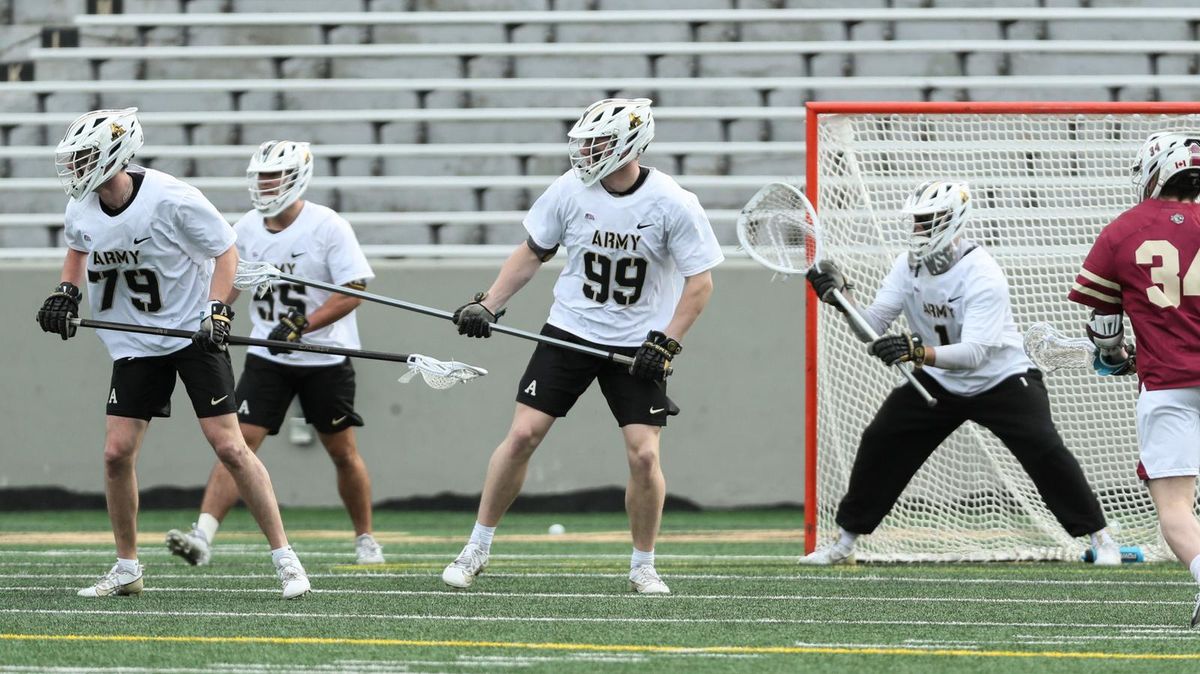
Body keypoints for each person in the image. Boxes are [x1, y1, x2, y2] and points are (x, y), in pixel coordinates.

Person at [439, 98, 724, 594]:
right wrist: (490, 303)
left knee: (643, 457)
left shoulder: (673, 203)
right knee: (524, 435)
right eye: (586, 142)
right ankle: (476, 547)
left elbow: (700, 283)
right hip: (570, 330)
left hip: (638, 345)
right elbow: (534, 252)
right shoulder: (570, 189)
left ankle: (643, 564)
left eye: (600, 143)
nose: (588, 152)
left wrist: (667, 343)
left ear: (631, 144)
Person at [36, 108, 310, 598]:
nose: (75, 168)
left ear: (113, 155)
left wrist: (217, 311)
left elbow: (226, 251)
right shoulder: (81, 205)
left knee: (230, 447)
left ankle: (286, 560)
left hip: (190, 331)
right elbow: (78, 247)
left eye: (84, 158)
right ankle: (127, 567)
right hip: (136, 340)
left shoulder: (172, 199)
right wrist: (66, 291)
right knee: (116, 453)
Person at [802, 179, 1120, 566]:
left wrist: (915, 351)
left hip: (1002, 378)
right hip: (940, 380)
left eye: (927, 221)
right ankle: (846, 542)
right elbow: (873, 325)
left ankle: (1100, 537)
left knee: (1044, 450)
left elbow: (974, 354)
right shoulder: (907, 265)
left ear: (952, 221)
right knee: (881, 440)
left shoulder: (982, 273)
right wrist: (843, 299)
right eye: (917, 221)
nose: (918, 229)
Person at [165, 141, 382, 566]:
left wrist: (303, 324)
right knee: (238, 442)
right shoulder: (246, 227)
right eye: (261, 177)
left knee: (341, 451)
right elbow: (232, 277)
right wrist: (219, 314)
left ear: (296, 177)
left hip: (325, 356)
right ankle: (203, 536)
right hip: (269, 356)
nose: (265, 186)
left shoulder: (327, 225)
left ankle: (365, 538)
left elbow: (354, 289)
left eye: (273, 177)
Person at [1067, 132, 1200, 625]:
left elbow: (1105, 325)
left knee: (1175, 507)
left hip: (1167, 383)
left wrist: (1114, 356)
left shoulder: (1125, 229)